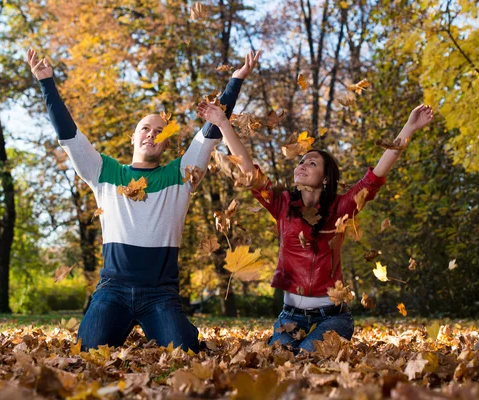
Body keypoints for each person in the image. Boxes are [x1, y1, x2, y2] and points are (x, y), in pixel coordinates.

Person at [27, 48, 260, 352]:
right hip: (113, 290)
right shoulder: (103, 171)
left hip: (160, 293)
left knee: (186, 352)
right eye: (145, 129)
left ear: (166, 142)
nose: (152, 134)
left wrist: (236, 80)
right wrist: (47, 83)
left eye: (160, 131)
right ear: (133, 138)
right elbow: (69, 135)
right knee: (87, 352)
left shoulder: (181, 174)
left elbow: (211, 132)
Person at [196, 100, 434, 352]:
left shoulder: (341, 208)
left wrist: (409, 127)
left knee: (307, 357)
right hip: (290, 318)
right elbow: (248, 171)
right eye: (301, 162)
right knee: (279, 360)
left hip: (333, 318)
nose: (302, 165)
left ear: (326, 178)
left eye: (312, 163)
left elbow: (375, 176)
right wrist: (223, 122)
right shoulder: (283, 204)